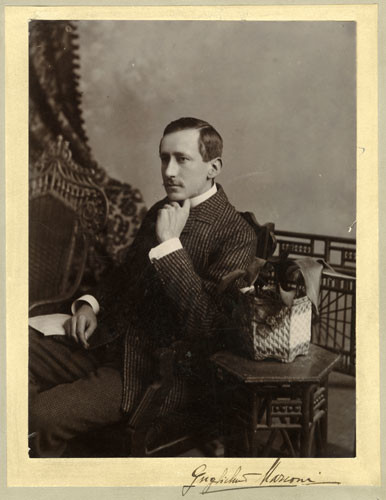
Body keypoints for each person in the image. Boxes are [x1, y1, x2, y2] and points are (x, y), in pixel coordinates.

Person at [29, 117, 257, 457]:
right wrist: (90, 304)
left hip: (153, 374)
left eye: (182, 159)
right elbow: (123, 274)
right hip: (105, 343)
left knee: (42, 414)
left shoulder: (236, 234)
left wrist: (169, 246)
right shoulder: (159, 211)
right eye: (164, 158)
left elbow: (207, 324)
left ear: (214, 167)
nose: (168, 170)